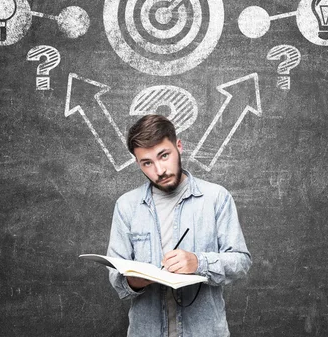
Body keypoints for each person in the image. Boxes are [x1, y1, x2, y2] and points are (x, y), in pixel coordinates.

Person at [106, 114, 251, 337]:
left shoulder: (216, 198)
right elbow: (118, 282)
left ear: (179, 146)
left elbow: (241, 262)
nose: (159, 170)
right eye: (147, 163)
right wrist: (134, 281)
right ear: (138, 163)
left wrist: (199, 262)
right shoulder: (126, 206)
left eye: (164, 156)